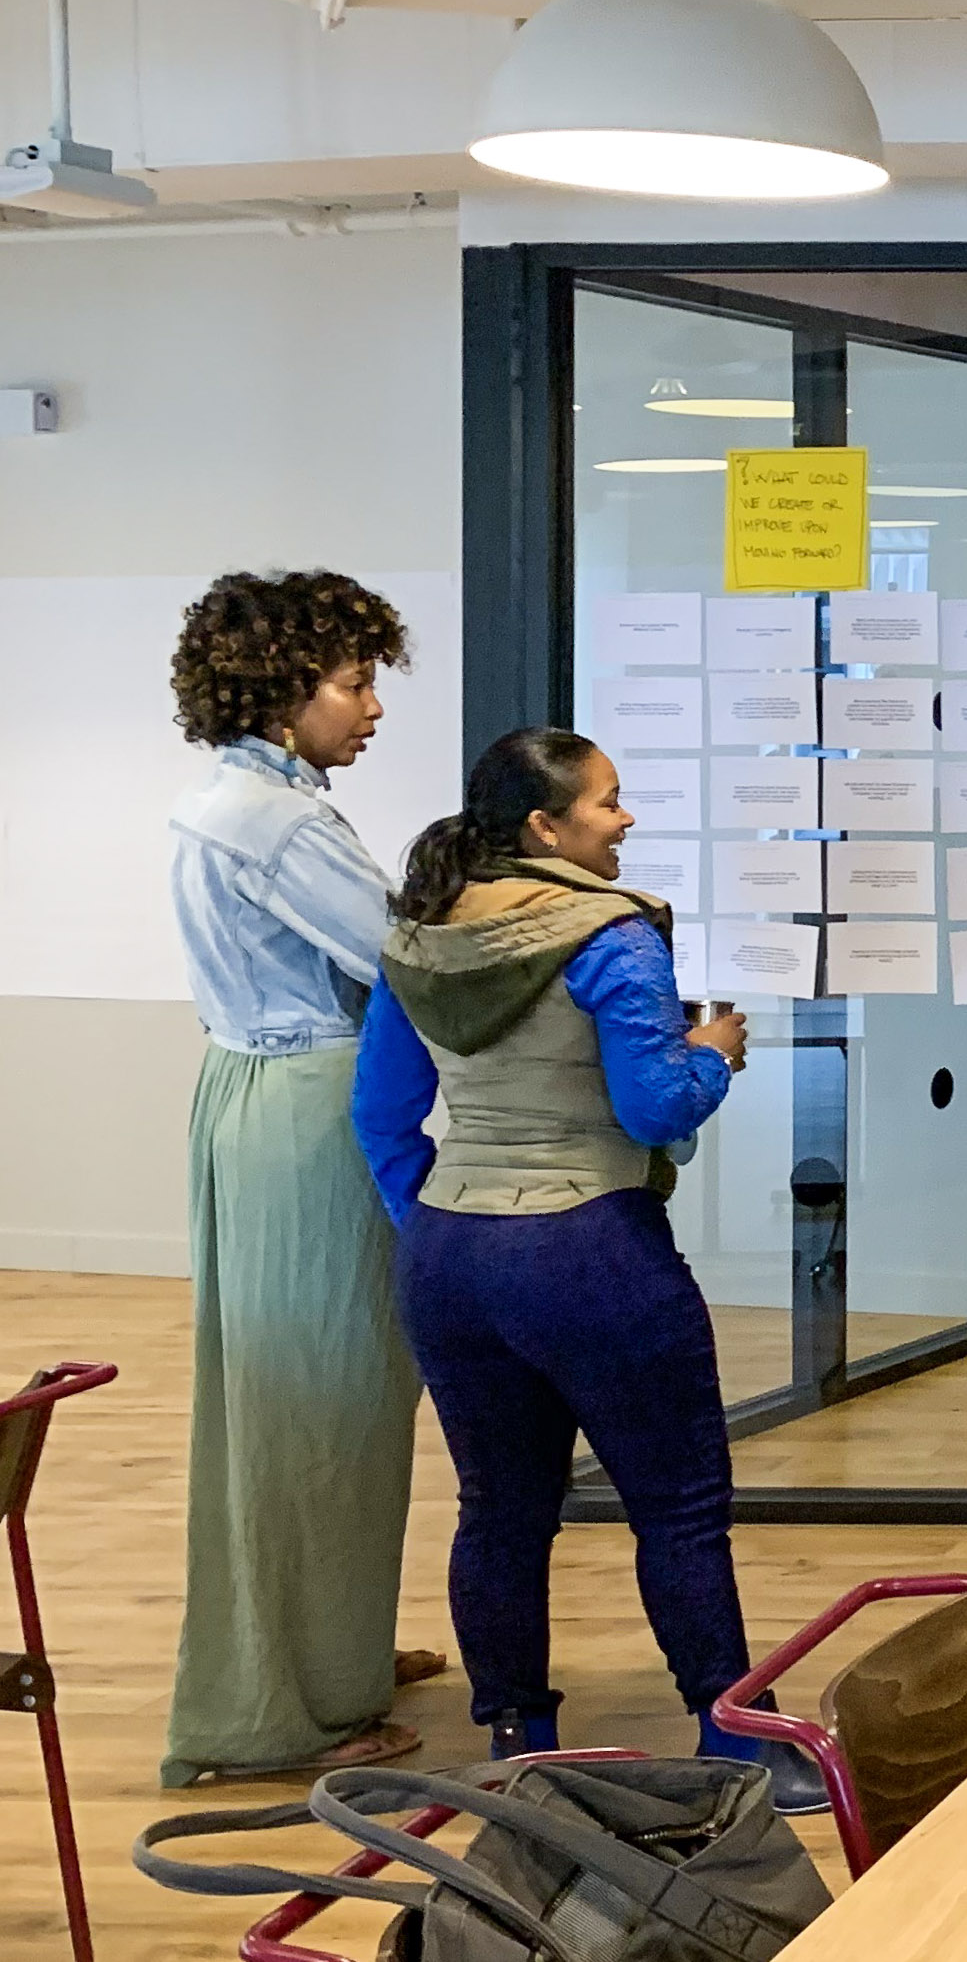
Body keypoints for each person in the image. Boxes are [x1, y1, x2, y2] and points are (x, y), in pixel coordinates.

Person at [349, 727, 820, 1806]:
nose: (626, 817)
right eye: (608, 801)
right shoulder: (613, 933)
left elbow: (380, 1115)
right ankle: (740, 1741)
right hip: (592, 1249)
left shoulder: (418, 936)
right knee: (679, 1507)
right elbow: (653, 1106)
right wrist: (712, 1057)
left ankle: (519, 1743)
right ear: (544, 826)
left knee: (499, 1510)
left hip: (451, 1253)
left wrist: (435, 1227)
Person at [157, 571, 443, 1787]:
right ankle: (285, 1708)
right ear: (284, 689)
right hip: (307, 1107)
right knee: (318, 1403)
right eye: (354, 684)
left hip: (253, 1092)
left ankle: (332, 1652)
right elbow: (411, 958)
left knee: (309, 1400)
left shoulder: (231, 800)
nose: (372, 708)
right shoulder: (275, 821)